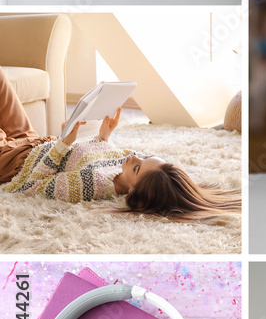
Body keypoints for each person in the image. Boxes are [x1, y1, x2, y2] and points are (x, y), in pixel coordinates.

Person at [0, 68, 237, 220]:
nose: (134, 158)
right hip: (34, 142)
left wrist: (64, 143)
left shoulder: (90, 185)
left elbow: (31, 186)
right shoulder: (129, 164)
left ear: (133, 190)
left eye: (136, 168)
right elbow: (87, 159)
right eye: (144, 157)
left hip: (10, 162)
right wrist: (104, 137)